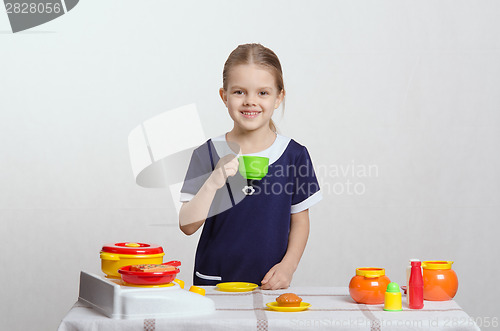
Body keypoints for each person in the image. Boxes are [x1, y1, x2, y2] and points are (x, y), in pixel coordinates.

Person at [179, 43, 322, 290]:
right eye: (239, 92)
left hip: (269, 282)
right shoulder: (208, 153)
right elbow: (187, 225)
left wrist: (288, 267)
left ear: (279, 97)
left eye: (263, 93)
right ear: (224, 96)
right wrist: (214, 181)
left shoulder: (294, 155)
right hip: (213, 282)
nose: (250, 101)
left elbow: (300, 221)